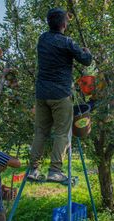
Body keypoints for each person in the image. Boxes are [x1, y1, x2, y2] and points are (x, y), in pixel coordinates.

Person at [28, 8, 92, 183]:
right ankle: (55, 170)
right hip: (60, 94)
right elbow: (86, 60)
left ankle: (33, 169)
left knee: (40, 131)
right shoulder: (67, 42)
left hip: (41, 94)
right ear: (64, 24)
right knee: (62, 132)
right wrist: (86, 52)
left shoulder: (42, 39)